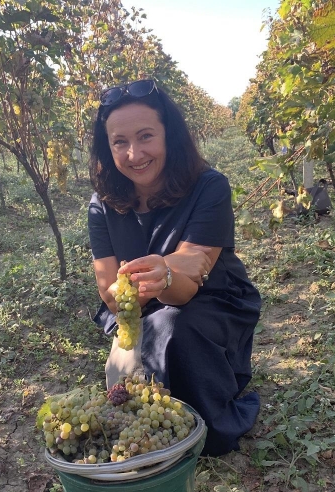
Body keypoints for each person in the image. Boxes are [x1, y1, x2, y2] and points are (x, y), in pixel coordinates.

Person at [87, 79, 262, 457]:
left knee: (173, 328)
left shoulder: (208, 187)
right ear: (108, 147)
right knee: (128, 382)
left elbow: (188, 278)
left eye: (146, 136)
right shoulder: (102, 203)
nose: (134, 153)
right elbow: (107, 287)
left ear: (170, 136)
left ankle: (210, 416)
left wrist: (163, 274)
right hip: (142, 309)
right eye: (120, 142)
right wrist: (126, 299)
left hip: (209, 298)